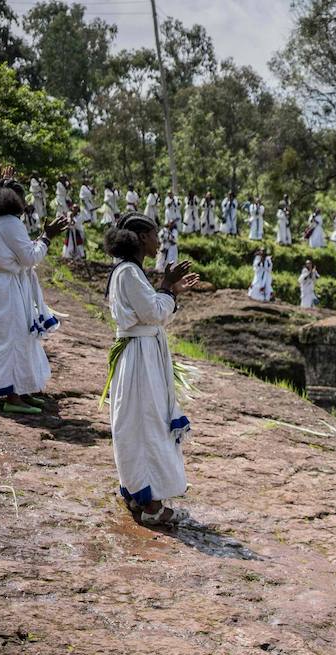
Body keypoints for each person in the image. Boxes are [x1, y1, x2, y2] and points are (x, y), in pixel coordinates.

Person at [102, 214, 200, 525]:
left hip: (142, 353)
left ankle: (138, 494)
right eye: (155, 235)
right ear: (142, 238)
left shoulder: (129, 272)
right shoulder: (129, 273)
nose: (159, 241)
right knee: (145, 424)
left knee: (139, 422)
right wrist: (168, 287)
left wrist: (170, 292)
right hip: (140, 359)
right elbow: (154, 312)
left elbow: (153, 315)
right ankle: (150, 504)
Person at [0, 182, 67, 413]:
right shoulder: (11, 222)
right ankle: (12, 397)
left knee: (15, 340)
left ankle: (21, 390)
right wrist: (46, 237)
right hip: (4, 289)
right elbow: (29, 258)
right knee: (13, 341)